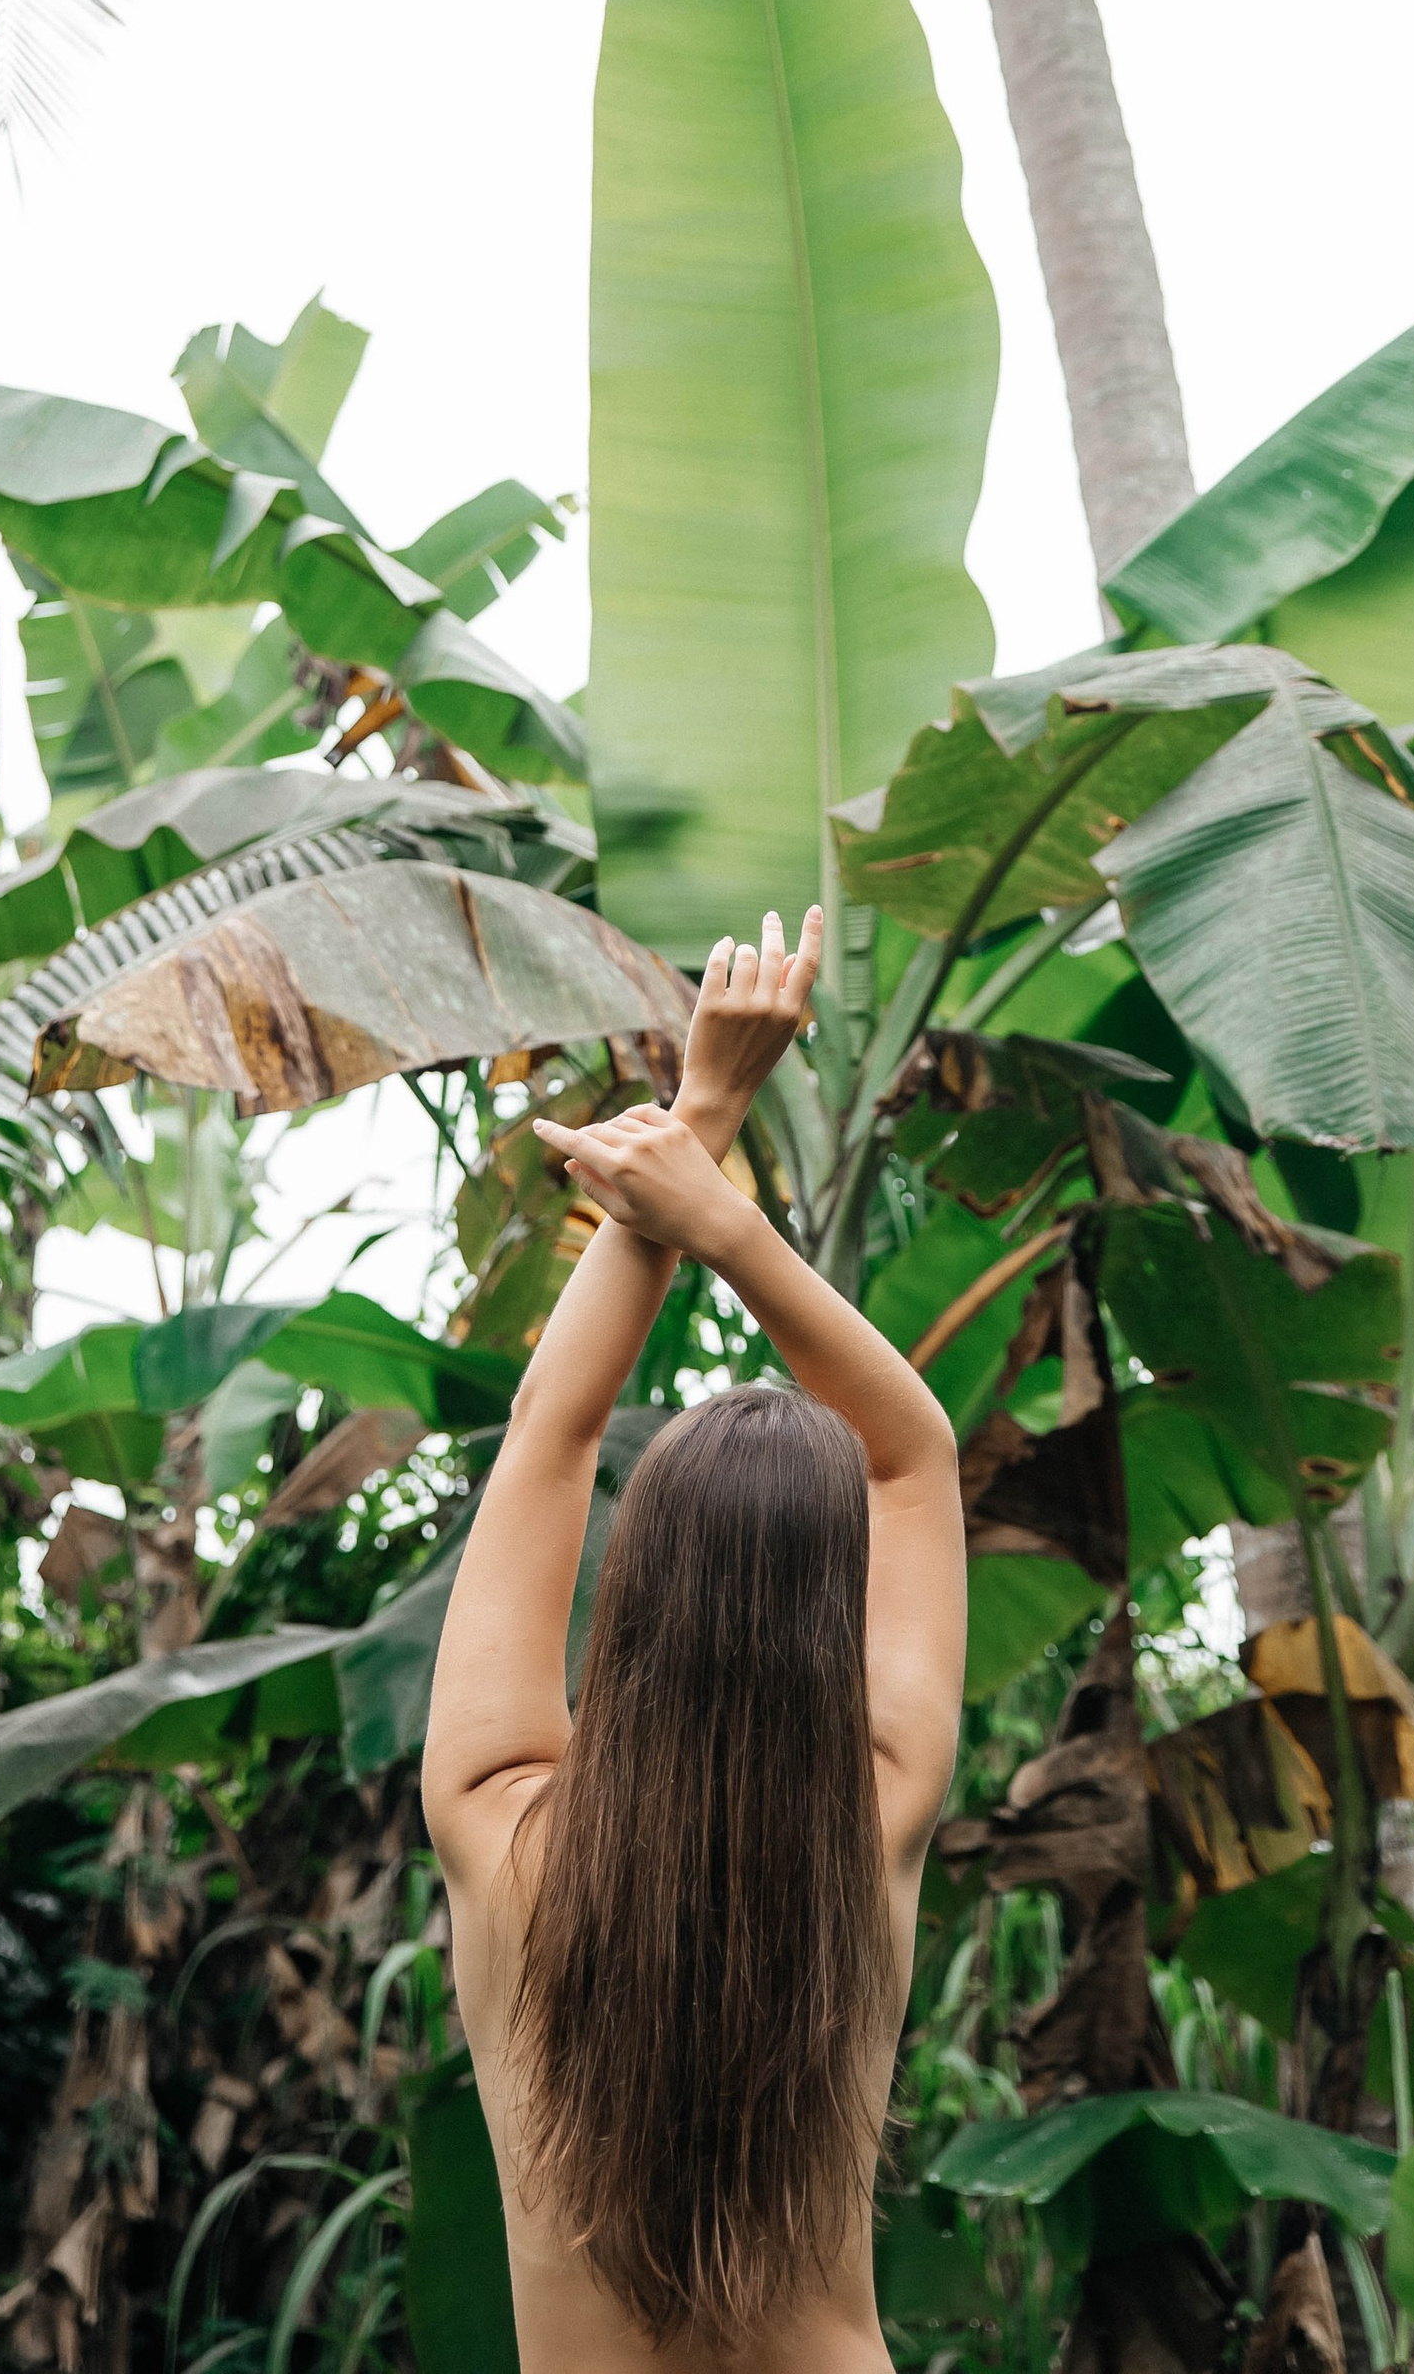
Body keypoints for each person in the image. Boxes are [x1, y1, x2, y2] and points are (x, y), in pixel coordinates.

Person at [424, 904, 966, 2371]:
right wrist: (717, 1211)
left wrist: (702, 1114)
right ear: (826, 1625)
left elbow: (554, 1430)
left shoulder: (498, 1827)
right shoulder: (874, 1816)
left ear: (639, 1599)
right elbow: (913, 1452)